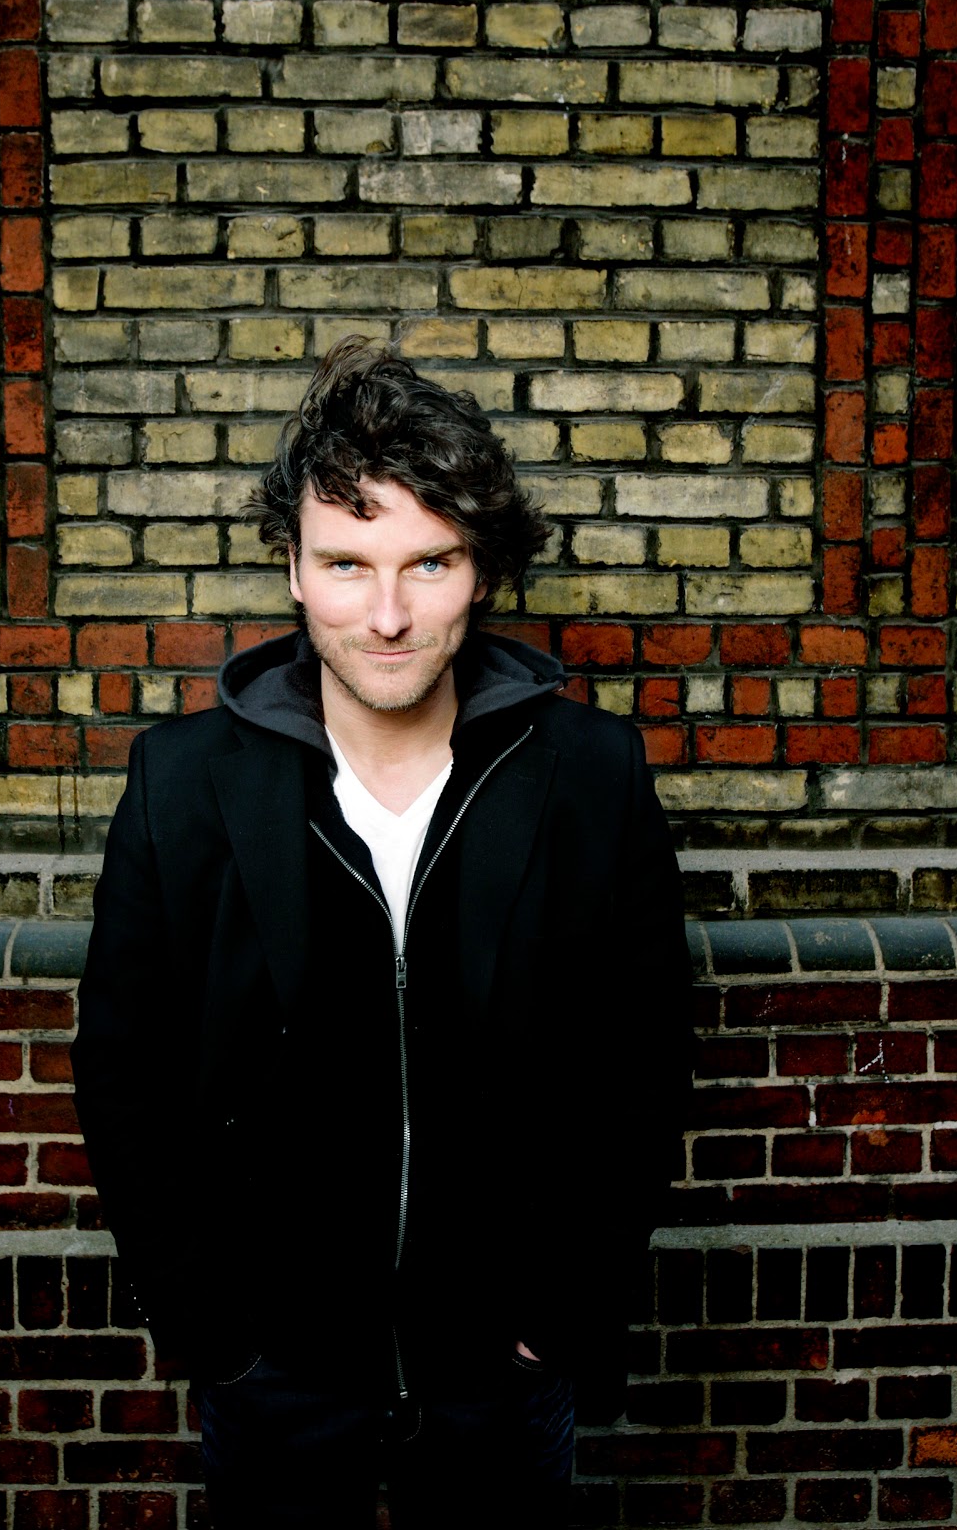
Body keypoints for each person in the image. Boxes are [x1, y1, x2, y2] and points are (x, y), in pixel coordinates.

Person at [71, 336, 694, 1530]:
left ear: (482, 568)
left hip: (500, 1376)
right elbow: (123, 1074)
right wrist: (209, 1330)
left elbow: (643, 1063)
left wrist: (555, 1317)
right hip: (274, 1373)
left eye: (430, 563)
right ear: (293, 570)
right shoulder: (181, 783)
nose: (390, 615)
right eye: (348, 565)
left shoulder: (590, 775)